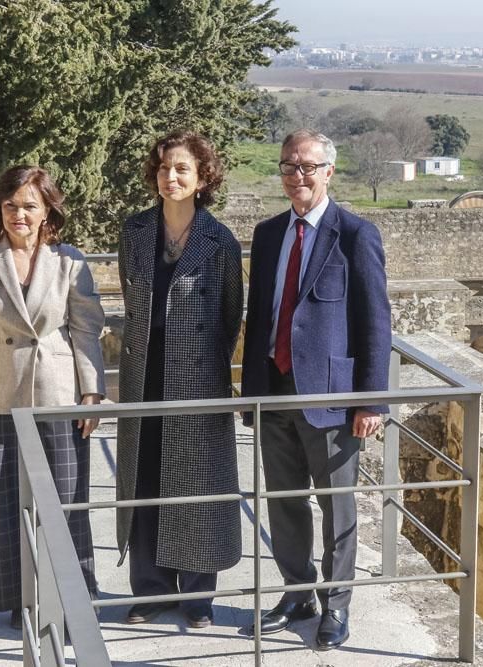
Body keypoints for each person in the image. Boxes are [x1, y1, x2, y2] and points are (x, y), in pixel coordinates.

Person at [240, 129, 391, 651]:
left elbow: (375, 321)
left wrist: (371, 400)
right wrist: (250, 394)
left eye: (306, 167)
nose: (296, 176)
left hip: (330, 398)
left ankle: (337, 604)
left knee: (337, 507)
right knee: (283, 501)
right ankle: (297, 592)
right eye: (287, 167)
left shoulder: (355, 234)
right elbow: (260, 314)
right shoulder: (266, 234)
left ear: (329, 171)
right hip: (274, 389)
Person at [0, 165, 105, 630]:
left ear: (47, 212)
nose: (19, 214)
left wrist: (92, 390)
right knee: (5, 503)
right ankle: (20, 600)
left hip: (58, 395)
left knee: (64, 500)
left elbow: (86, 329)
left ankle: (71, 595)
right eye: (10, 205)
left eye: (29, 206)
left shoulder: (70, 260)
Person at [115, 130, 243, 629]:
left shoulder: (220, 242)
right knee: (145, 478)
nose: (172, 177)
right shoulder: (135, 232)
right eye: (166, 168)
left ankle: (197, 596)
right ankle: (150, 590)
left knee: (196, 484)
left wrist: (205, 365)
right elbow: (131, 298)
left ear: (202, 178)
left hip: (197, 381)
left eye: (183, 169)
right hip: (143, 373)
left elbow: (231, 315)